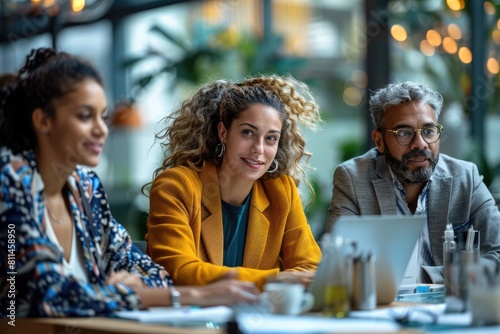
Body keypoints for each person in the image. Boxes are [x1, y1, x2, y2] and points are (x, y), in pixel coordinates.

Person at [0, 47, 259, 317]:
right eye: (85, 116)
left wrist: (130, 288)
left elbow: (154, 274)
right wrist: (193, 294)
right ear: (43, 120)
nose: (102, 129)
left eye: (103, 116)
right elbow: (48, 296)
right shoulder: (11, 184)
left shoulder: (85, 188)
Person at [146, 74, 322, 289]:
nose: (258, 149)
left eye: (270, 138)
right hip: (192, 317)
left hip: (259, 318)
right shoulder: (176, 186)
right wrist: (274, 279)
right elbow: (180, 271)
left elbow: (310, 268)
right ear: (223, 132)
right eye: (248, 132)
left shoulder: (281, 191)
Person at [327, 80, 500, 284]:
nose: (420, 144)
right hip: (382, 308)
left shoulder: (465, 177)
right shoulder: (353, 178)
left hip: (449, 307)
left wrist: (426, 277)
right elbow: (338, 259)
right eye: (404, 133)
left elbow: (497, 252)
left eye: (428, 131)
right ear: (379, 141)